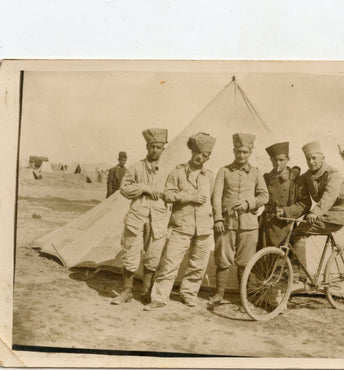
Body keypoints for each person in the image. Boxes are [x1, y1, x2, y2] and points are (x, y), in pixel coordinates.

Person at [144, 132, 216, 310]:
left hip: (204, 227)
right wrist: (188, 197)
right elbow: (167, 195)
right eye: (198, 153)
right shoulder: (177, 172)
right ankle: (159, 297)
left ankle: (188, 293)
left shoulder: (210, 176)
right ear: (191, 152)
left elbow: (215, 200)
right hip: (181, 225)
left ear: (209, 157)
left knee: (198, 264)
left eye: (205, 155)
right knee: (169, 263)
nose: (201, 157)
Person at [111, 128, 170, 305]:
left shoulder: (168, 171)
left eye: (158, 147)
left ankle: (146, 291)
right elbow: (124, 189)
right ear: (147, 146)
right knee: (130, 255)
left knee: (153, 257)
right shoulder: (136, 167)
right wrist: (143, 188)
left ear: (163, 149)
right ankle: (127, 291)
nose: (155, 150)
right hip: (137, 218)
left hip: (158, 219)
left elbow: (173, 193)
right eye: (152, 146)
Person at [209, 133, 269, 304]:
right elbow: (216, 196)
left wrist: (248, 204)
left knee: (245, 262)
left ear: (250, 152)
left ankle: (244, 297)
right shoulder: (224, 171)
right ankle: (219, 294)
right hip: (226, 224)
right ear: (233, 151)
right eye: (238, 151)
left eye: (245, 152)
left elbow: (264, 196)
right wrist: (218, 219)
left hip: (249, 224)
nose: (241, 155)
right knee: (222, 259)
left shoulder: (256, 173)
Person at [281, 141, 344, 277]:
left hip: (334, 218)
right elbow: (296, 182)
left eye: (314, 158)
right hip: (321, 216)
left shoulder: (333, 174)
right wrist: (294, 170)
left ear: (322, 157)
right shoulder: (308, 175)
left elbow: (329, 196)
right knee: (293, 231)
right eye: (308, 159)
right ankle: (296, 271)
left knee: (298, 233)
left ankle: (301, 273)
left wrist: (315, 212)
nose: (311, 162)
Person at [260, 142, 309, 249]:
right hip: (265, 225)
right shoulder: (266, 178)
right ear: (271, 160)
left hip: (284, 225)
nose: (278, 163)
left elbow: (305, 203)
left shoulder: (294, 180)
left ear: (288, 159)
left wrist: (286, 211)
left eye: (281, 160)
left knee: (282, 260)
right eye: (275, 160)